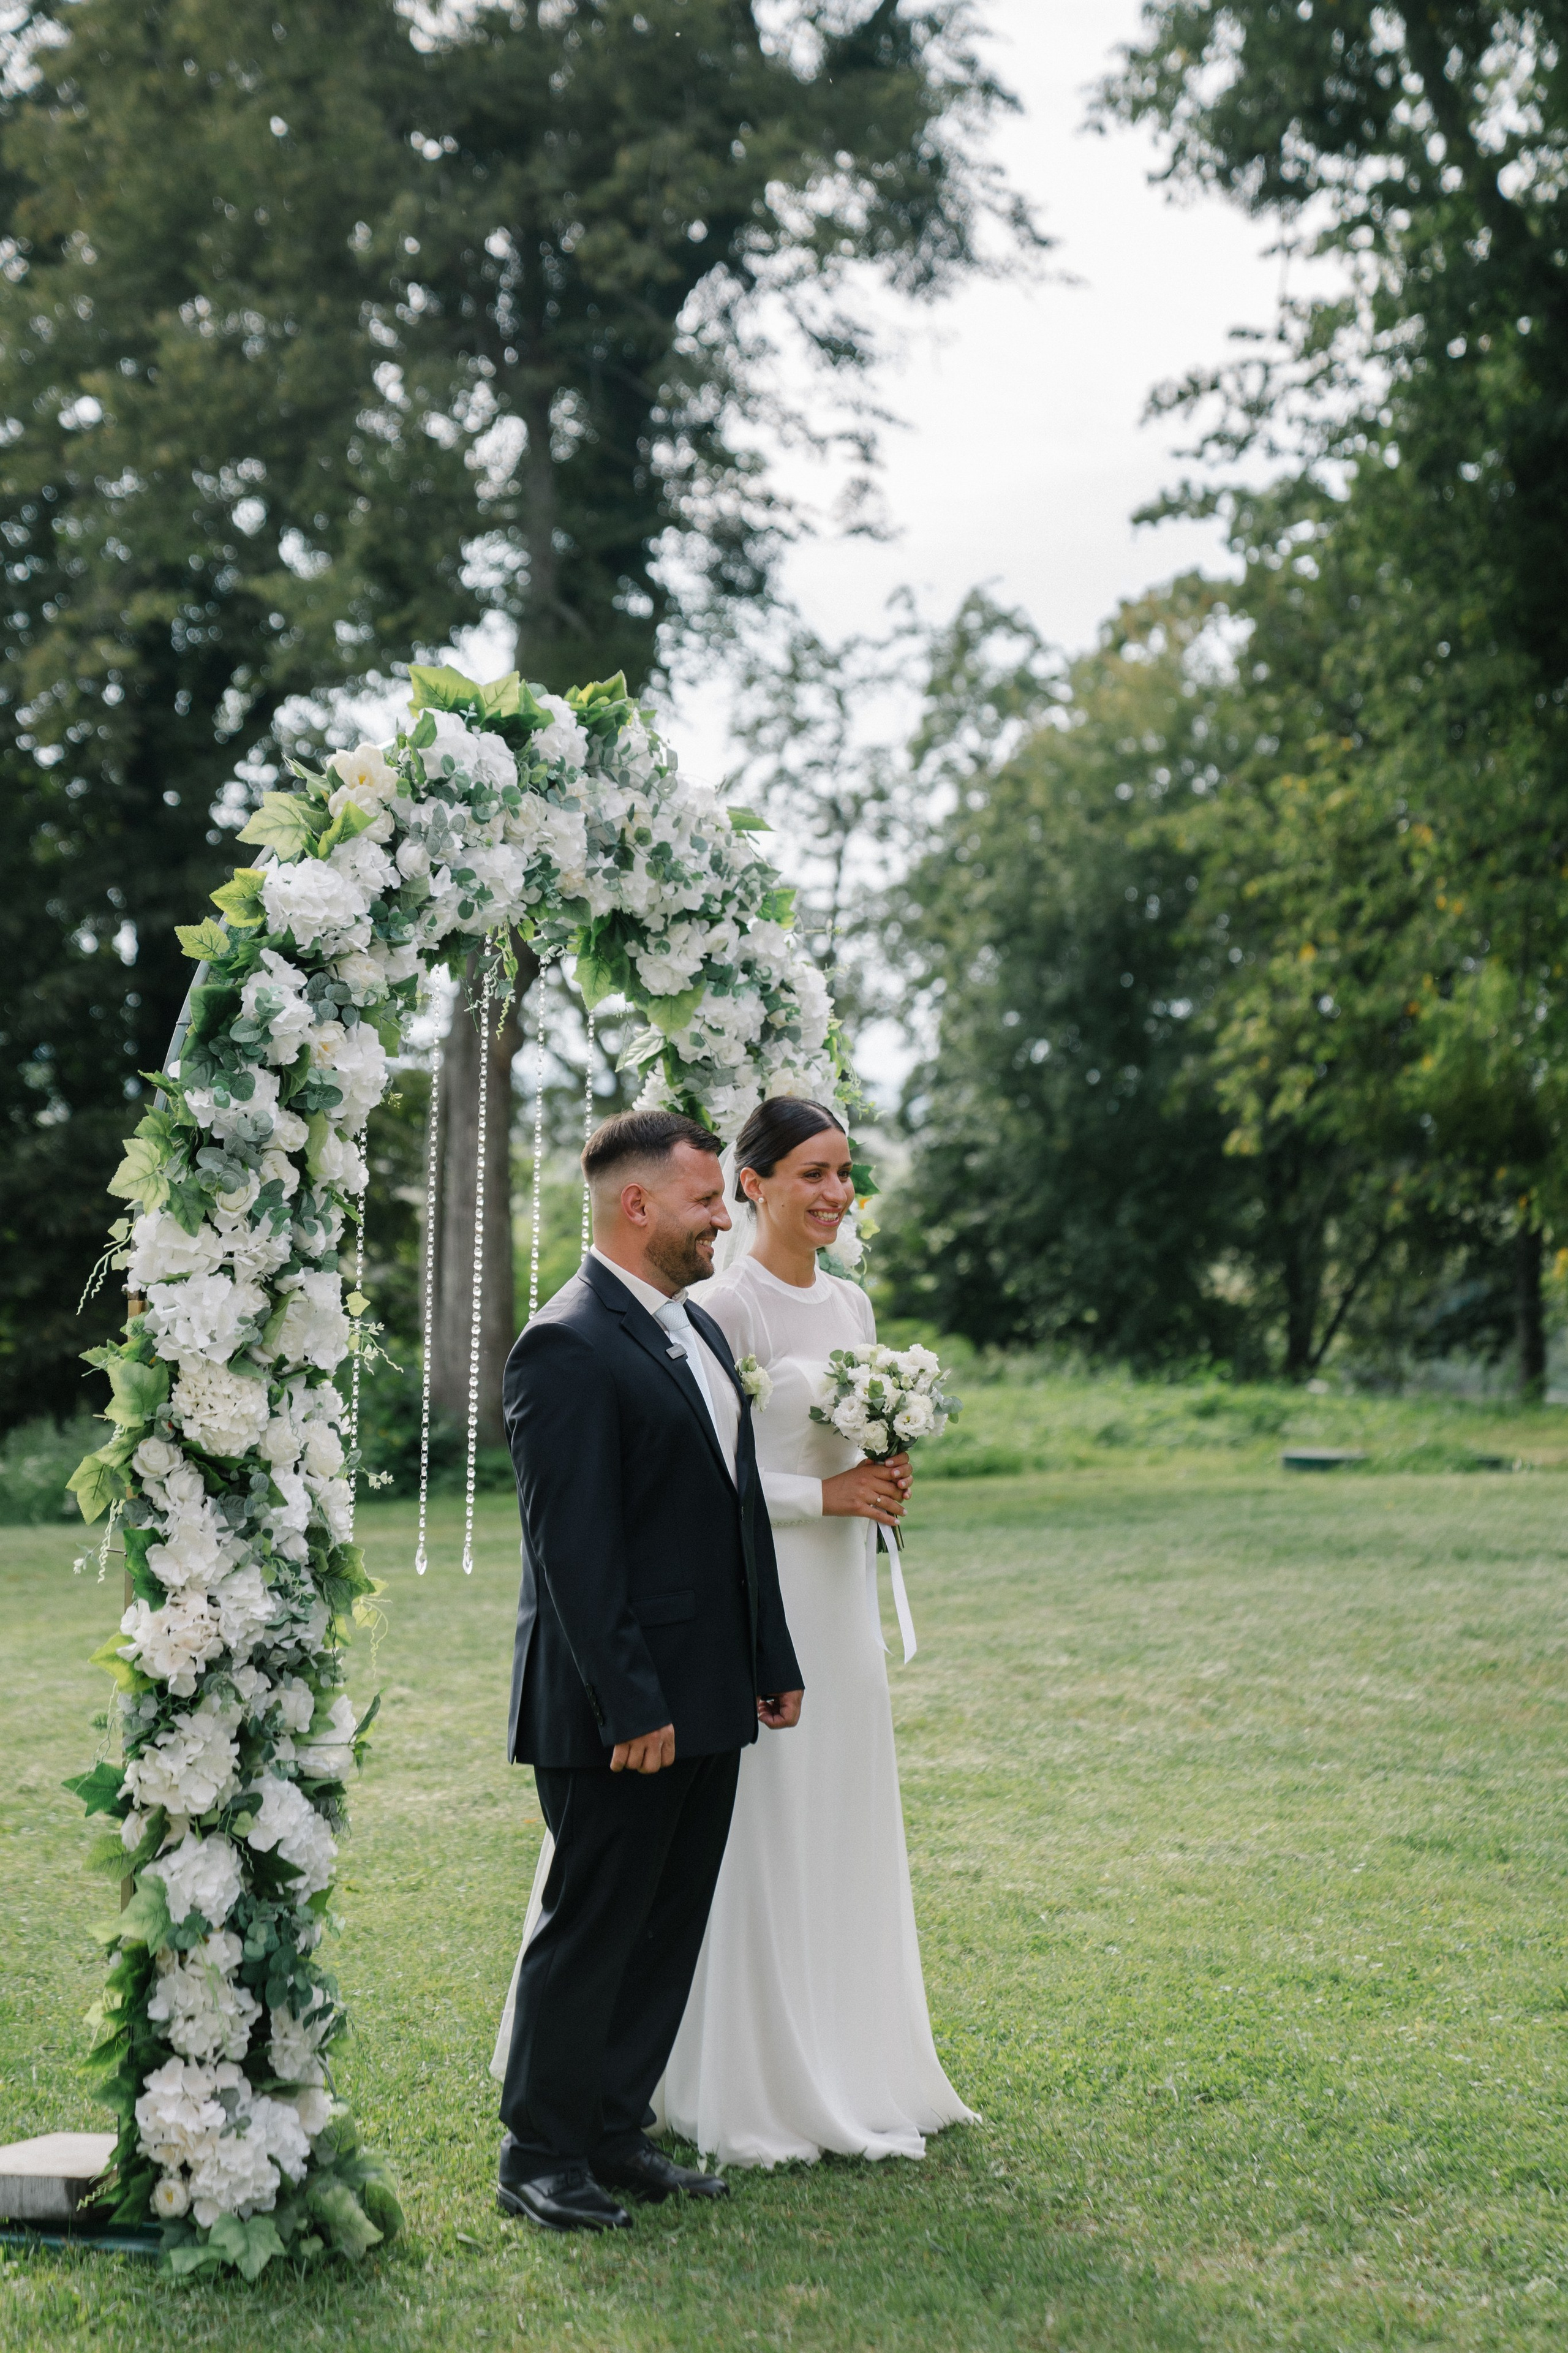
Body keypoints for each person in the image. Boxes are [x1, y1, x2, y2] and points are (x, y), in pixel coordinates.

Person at [494, 1107, 804, 2233]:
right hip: (616, 1707)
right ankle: (538, 2154)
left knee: (670, 1920)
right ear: (639, 1205)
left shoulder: (699, 1333)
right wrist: (634, 1703)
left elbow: (736, 1516)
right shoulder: (565, 1342)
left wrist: (768, 1657)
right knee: (594, 1925)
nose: (723, 1216)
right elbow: (575, 1552)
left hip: (712, 1692)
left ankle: (615, 2133)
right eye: (707, 1199)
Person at [657, 1096, 976, 2165]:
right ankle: (750, 2063)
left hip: (839, 1597)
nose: (837, 1193)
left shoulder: (855, 1305)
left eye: (846, 1172)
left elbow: (839, 1439)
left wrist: (880, 1475)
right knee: (767, 1808)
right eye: (812, 1172)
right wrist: (822, 1500)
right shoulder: (724, 1306)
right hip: (765, 1585)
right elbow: (710, 1480)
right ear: (752, 1183)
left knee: (841, 1797)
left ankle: (852, 2047)